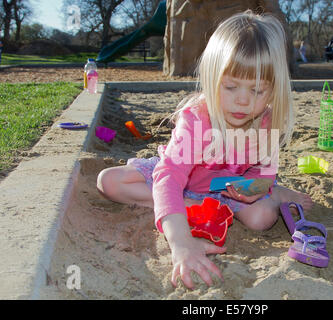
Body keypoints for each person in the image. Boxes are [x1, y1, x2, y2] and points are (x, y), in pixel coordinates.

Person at [96, 10, 313, 290]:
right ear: (212, 76)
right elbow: (170, 177)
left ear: (273, 90)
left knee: (262, 218)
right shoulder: (197, 119)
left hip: (222, 188)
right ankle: (184, 207)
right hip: (185, 176)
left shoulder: (267, 122)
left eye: (258, 91)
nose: (243, 102)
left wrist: (259, 188)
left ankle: (274, 193)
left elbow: (263, 172)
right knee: (109, 182)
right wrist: (181, 242)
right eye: (231, 86)